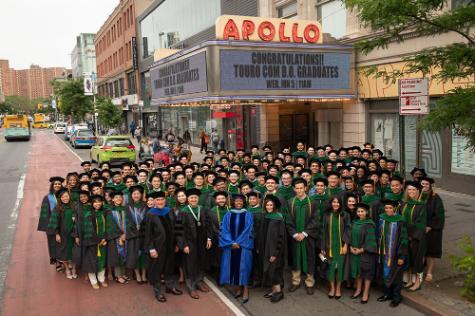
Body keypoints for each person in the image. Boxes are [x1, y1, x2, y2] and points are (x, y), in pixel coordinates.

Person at [144, 191, 183, 303]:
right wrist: (151, 249)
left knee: (169, 267)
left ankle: (169, 287)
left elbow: (176, 228)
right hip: (157, 247)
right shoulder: (150, 214)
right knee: (157, 269)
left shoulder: (169, 211)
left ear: (165, 200)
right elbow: (147, 234)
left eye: (162, 199)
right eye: (157, 200)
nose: (160, 202)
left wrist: (176, 244)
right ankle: (158, 291)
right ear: (154, 201)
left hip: (170, 246)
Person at [219, 194, 254, 304]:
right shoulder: (228, 215)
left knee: (245, 267)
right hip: (232, 246)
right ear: (233, 202)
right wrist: (231, 242)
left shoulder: (248, 215)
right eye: (237, 201)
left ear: (244, 202)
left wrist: (238, 242)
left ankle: (246, 289)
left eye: (241, 201)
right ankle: (238, 287)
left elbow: (249, 230)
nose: (239, 203)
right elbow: (224, 229)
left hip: (244, 246)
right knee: (234, 266)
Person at [177, 188, 211, 299]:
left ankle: (199, 281)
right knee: (190, 264)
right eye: (191, 197)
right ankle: (191, 286)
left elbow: (209, 225)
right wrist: (184, 245)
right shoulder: (183, 211)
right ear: (188, 199)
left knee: (201, 261)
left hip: (202, 241)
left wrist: (209, 239)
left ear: (198, 198)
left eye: (195, 197)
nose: (193, 199)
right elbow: (179, 230)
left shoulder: (203, 210)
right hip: (189, 242)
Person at [287, 178, 319, 295]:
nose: (299, 190)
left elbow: (316, 220)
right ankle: (295, 281)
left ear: (306, 188)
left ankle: (310, 283)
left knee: (310, 258)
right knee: (295, 258)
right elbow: (288, 219)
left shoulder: (312, 202)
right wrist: (295, 234)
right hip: (295, 237)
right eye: (297, 188)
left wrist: (304, 233)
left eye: (301, 188)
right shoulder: (290, 202)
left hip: (308, 237)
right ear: (294, 189)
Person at [377, 199, 408, 308]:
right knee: (385, 274)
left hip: (395, 254)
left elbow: (404, 239)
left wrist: (401, 256)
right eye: (386, 208)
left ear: (395, 208)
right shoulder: (382, 218)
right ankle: (387, 294)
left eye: (390, 208)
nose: (388, 210)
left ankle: (396, 298)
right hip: (383, 253)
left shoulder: (400, 221)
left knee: (395, 276)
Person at [321, 196, 351, 299]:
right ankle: (332, 288)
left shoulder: (345, 215)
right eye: (334, 202)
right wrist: (323, 247)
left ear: (341, 204)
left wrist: (346, 245)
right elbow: (323, 231)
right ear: (331, 203)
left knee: (339, 269)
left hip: (341, 247)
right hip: (329, 246)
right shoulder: (326, 215)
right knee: (331, 269)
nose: (336, 204)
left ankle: (338, 288)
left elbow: (348, 230)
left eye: (338, 202)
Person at [259, 195, 286, 303]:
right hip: (266, 249)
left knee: (275, 271)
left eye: (271, 205)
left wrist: (275, 253)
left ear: (274, 206)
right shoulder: (266, 216)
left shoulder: (278, 218)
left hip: (275, 251)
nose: (269, 207)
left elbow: (280, 238)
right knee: (270, 270)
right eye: (267, 205)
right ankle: (274, 290)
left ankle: (279, 292)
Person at [401, 181, 427, 292]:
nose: (411, 192)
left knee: (417, 260)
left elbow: (421, 223)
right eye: (409, 189)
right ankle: (411, 280)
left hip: (416, 238)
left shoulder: (421, 206)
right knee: (409, 259)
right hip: (405, 237)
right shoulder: (404, 204)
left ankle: (418, 282)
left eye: (413, 190)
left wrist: (411, 234)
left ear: (418, 191)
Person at [349, 203, 377, 304]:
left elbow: (371, 241)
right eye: (358, 211)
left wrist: (361, 250)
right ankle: (358, 290)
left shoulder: (370, 224)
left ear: (366, 212)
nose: (360, 213)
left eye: (362, 211)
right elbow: (350, 236)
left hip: (366, 253)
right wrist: (351, 247)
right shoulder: (355, 222)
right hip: (354, 252)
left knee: (366, 274)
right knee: (358, 273)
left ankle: (365, 293)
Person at [48, 189, 78, 279]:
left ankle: (74, 269)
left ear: (70, 196)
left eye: (67, 196)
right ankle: (67, 269)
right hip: (62, 234)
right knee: (64, 252)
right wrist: (57, 234)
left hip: (73, 234)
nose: (65, 198)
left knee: (74, 252)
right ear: (60, 198)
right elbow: (54, 222)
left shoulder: (75, 206)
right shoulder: (57, 208)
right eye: (63, 197)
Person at [80, 195, 108, 289]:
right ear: (92, 204)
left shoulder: (103, 213)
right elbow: (88, 230)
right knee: (91, 261)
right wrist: (97, 241)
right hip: (92, 243)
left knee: (102, 260)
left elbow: (107, 226)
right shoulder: (88, 214)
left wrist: (104, 238)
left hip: (103, 242)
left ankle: (101, 279)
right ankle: (93, 281)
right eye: (95, 202)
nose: (97, 204)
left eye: (99, 201)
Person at [420, 177, 445, 282]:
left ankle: (429, 272)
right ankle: (419, 272)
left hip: (432, 229)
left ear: (430, 185)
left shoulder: (436, 198)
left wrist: (430, 226)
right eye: (422, 184)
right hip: (420, 228)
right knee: (420, 251)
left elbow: (439, 215)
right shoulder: (418, 196)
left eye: (426, 184)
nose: (424, 186)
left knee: (431, 252)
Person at [38, 176, 64, 272]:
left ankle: (63, 260)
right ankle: (57, 262)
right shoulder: (48, 197)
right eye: (55, 184)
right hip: (52, 225)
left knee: (63, 243)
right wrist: (49, 227)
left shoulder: (64, 195)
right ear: (52, 185)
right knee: (53, 244)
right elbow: (45, 213)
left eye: (59, 184)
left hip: (64, 224)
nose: (57, 185)